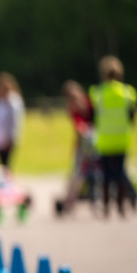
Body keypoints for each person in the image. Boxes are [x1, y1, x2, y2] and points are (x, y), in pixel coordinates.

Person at [87, 55, 137, 218]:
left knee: (106, 175)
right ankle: (121, 206)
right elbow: (132, 117)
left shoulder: (97, 92)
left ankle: (107, 206)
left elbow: (93, 116)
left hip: (104, 139)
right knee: (121, 172)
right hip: (122, 138)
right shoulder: (128, 92)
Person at [57, 80, 96, 215]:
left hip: (95, 142)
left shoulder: (90, 101)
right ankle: (69, 202)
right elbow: (78, 127)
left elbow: (95, 118)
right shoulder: (72, 109)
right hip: (82, 144)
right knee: (76, 174)